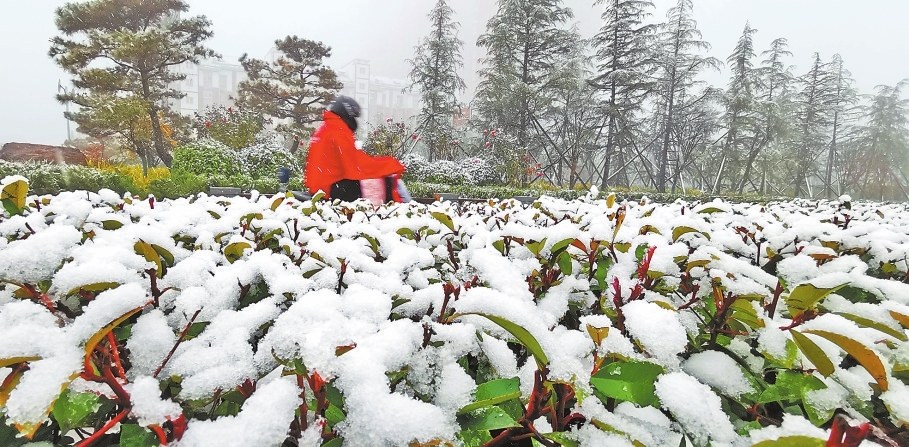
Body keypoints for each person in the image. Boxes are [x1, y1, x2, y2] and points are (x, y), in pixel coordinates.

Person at [304, 96, 409, 204]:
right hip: (330, 191)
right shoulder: (338, 130)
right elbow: (356, 165)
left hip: (319, 189)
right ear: (347, 114)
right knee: (385, 182)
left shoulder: (326, 128)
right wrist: (389, 165)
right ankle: (401, 211)